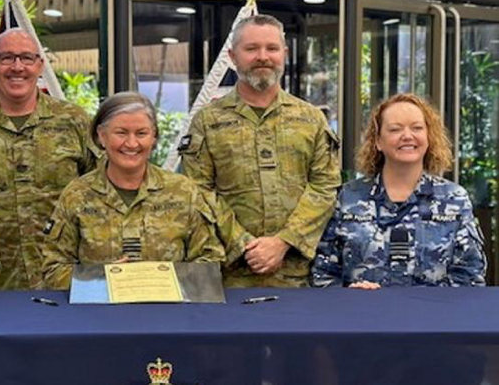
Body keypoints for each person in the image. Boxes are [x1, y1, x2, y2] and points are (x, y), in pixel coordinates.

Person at [179, 14, 341, 287]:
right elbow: (199, 191)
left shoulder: (311, 119)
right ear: (232, 56)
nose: (262, 56)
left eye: (272, 48)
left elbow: (325, 187)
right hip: (229, 274)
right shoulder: (208, 121)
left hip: (298, 274)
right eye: (251, 49)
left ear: (284, 54)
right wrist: (244, 244)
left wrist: (283, 242)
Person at [0, 28, 99, 290]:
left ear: (40, 66)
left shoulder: (75, 121)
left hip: (66, 280)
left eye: (26, 58)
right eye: (6, 58)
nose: (17, 67)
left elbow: (100, 189)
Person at [43, 92, 225, 289]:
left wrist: (162, 279)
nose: (131, 144)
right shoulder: (77, 195)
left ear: (154, 137)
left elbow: (210, 262)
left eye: (141, 133)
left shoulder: (183, 191)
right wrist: (101, 278)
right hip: (97, 315)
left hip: (168, 313)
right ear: (102, 137)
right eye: (121, 133)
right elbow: (53, 269)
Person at [311, 93, 486, 288]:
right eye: (395, 129)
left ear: (429, 137)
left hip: (434, 317)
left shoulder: (454, 199)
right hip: (361, 315)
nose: (407, 136)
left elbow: (470, 276)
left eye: (417, 128)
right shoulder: (348, 197)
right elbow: (323, 273)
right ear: (377, 141)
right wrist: (347, 295)